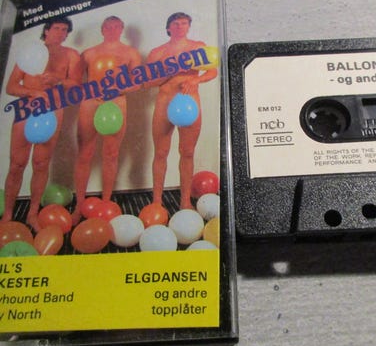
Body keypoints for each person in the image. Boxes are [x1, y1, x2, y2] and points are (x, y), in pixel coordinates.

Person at [1, 17, 82, 231]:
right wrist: (34, 92)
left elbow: (76, 85)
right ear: (46, 30)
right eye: (56, 28)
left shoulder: (71, 55)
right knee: (17, 164)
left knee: (41, 163)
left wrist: (58, 81)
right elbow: (11, 86)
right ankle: (8, 214)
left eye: (64, 29)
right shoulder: (31, 52)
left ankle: (32, 214)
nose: (61, 33)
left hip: (52, 111)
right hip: (26, 111)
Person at [72, 16, 142, 224]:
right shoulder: (89, 53)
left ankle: (105, 203)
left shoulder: (131, 53)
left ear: (121, 29)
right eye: (108, 27)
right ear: (102, 30)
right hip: (90, 102)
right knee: (84, 153)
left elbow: (138, 83)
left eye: (116, 26)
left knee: (111, 154)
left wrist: (118, 89)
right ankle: (79, 205)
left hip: (116, 103)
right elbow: (74, 82)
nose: (112, 30)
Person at [146, 12, 217, 210]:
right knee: (160, 152)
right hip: (164, 101)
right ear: (168, 28)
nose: (180, 26)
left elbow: (212, 71)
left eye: (184, 23)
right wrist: (171, 71)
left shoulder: (197, 47)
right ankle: (157, 202)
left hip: (189, 102)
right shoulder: (157, 52)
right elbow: (148, 81)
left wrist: (196, 79)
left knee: (187, 152)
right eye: (176, 23)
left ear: (189, 26)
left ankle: (185, 201)